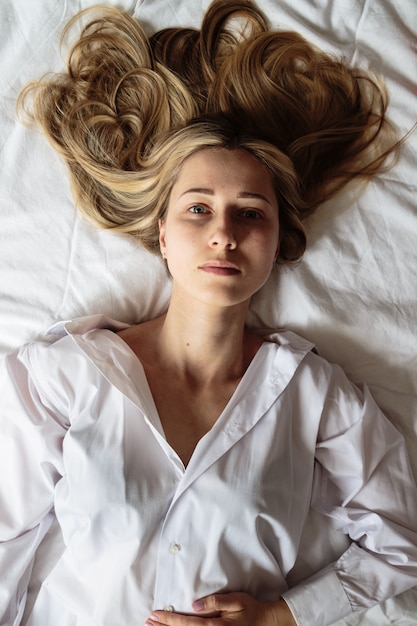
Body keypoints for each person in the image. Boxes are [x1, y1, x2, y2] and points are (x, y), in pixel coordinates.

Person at [2, 2, 416, 626]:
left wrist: (281, 617)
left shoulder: (311, 393)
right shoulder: (63, 377)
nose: (224, 233)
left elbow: (401, 541)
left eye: (251, 213)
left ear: (278, 243)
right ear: (162, 235)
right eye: (198, 209)